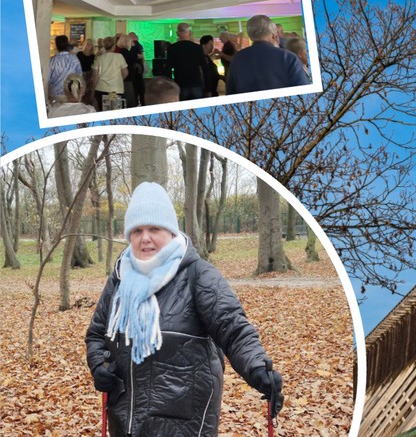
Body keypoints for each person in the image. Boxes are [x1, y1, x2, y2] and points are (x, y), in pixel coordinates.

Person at [86, 182, 283, 435]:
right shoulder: (120, 279)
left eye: (154, 228)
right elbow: (97, 334)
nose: (145, 238)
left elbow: (234, 329)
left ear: (170, 232)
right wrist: (98, 365)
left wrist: (257, 368)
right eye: (137, 230)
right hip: (125, 423)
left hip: (184, 425)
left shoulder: (198, 275)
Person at [226, 15, 312, 94]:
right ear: (274, 35)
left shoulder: (237, 58)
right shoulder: (288, 57)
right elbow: (304, 91)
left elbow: (231, 92)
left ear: (250, 36)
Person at [166, 23, 207, 100]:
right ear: (190, 33)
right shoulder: (198, 48)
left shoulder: (172, 48)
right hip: (196, 83)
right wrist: (207, 87)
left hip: (180, 83)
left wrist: (170, 85)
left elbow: (168, 68)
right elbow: (204, 67)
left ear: (177, 33)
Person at [93, 37, 129, 111]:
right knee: (116, 114)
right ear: (114, 46)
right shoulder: (119, 57)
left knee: (103, 113)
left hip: (101, 88)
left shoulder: (99, 58)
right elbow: (125, 73)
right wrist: (118, 79)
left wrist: (93, 90)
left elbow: (95, 77)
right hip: (116, 89)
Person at [47, 35, 82, 101]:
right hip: (71, 94)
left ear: (56, 45)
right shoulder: (74, 59)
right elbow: (79, 77)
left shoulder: (52, 60)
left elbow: (47, 79)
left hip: (55, 94)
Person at [128, 32, 146, 107]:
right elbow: (142, 57)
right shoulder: (140, 45)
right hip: (139, 68)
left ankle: (135, 104)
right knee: (140, 87)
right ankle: (142, 103)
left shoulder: (133, 45)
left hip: (134, 69)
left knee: (134, 87)